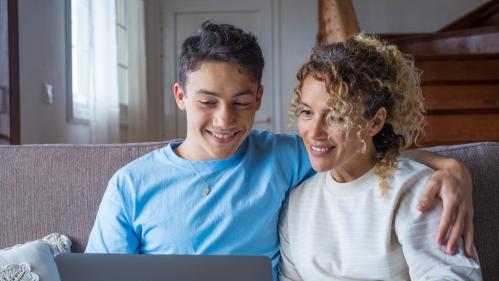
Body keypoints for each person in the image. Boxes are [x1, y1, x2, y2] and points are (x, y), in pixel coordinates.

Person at [86, 22, 474, 280]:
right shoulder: (130, 185)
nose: (224, 120)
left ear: (259, 99)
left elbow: (362, 155)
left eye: (239, 103)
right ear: (181, 96)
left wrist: (452, 167)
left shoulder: (286, 157)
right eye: (207, 102)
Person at [278, 34, 481, 280]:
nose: (315, 132)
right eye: (307, 112)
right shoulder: (297, 202)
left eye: (336, 117)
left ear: (375, 122)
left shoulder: (415, 189)